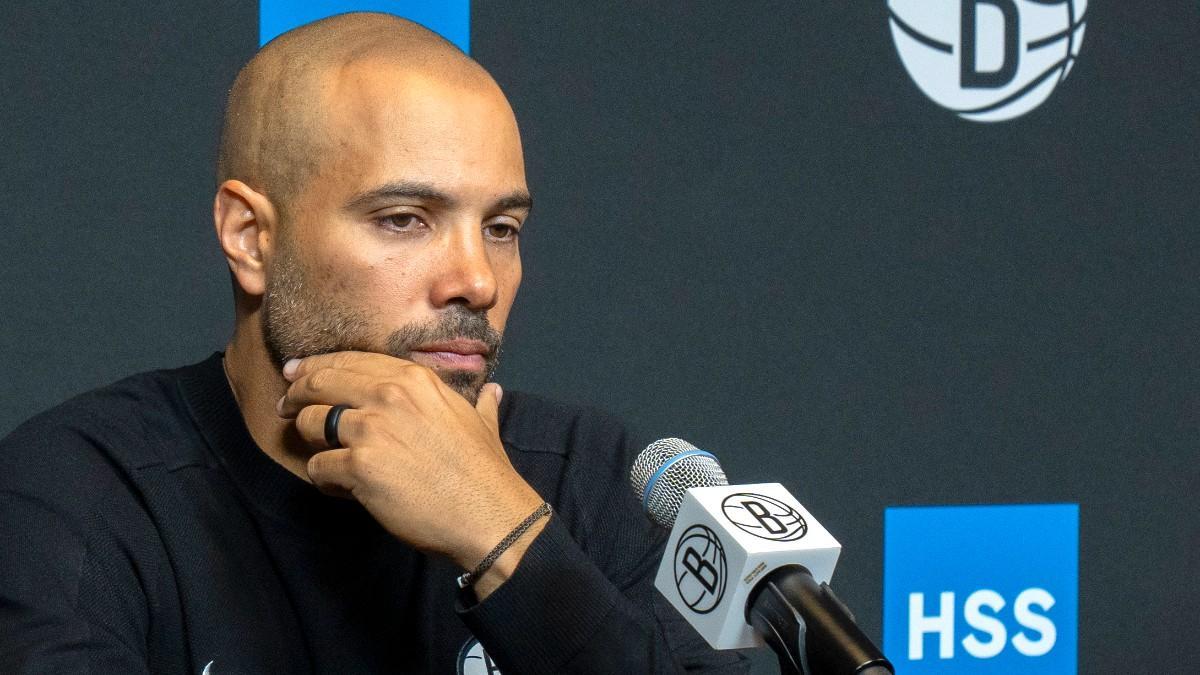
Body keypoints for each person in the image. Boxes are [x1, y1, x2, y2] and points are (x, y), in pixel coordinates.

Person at [0, 12, 748, 674]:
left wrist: (506, 538)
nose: (477, 281)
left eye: (501, 228)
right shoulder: (79, 496)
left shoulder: (590, 476)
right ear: (251, 237)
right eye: (403, 218)